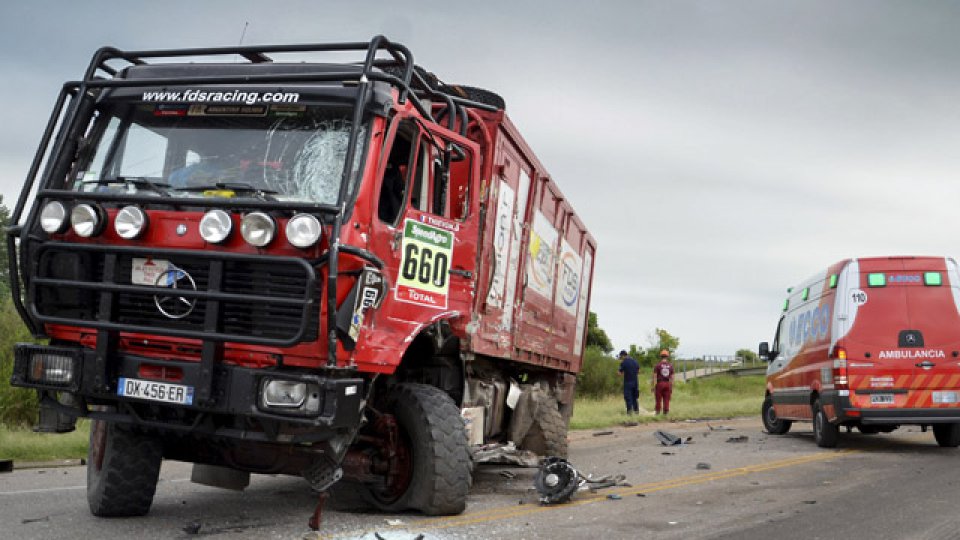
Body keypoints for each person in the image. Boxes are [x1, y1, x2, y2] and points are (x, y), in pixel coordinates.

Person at [652, 349, 675, 415]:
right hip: (667, 383)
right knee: (667, 399)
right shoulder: (670, 366)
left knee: (658, 399)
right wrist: (671, 386)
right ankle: (666, 412)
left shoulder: (657, 365)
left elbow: (654, 377)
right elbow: (672, 378)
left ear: (661, 356)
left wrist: (653, 386)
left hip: (660, 383)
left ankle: (658, 412)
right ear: (667, 356)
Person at [618, 350, 640, 414]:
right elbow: (638, 371)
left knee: (628, 397)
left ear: (622, 355)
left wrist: (624, 372)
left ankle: (629, 412)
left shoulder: (623, 362)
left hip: (628, 382)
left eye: (621, 356)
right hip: (635, 382)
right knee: (634, 397)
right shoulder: (635, 361)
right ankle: (636, 411)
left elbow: (619, 373)